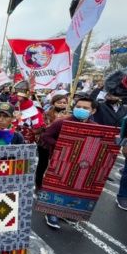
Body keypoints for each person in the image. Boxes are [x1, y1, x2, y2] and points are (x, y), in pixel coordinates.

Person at [39, 97, 98, 228]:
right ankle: (51, 212)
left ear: (93, 111)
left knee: (73, 187)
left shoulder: (96, 128)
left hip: (81, 164)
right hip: (60, 160)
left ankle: (67, 212)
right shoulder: (61, 122)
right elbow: (46, 136)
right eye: (79, 106)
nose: (81, 109)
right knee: (55, 185)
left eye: (85, 108)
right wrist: (62, 147)